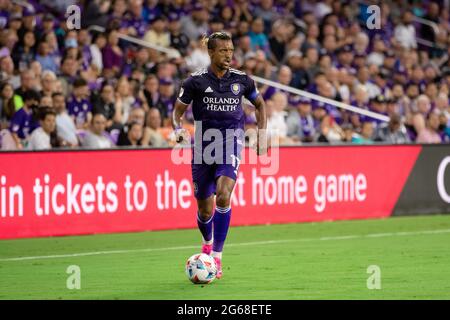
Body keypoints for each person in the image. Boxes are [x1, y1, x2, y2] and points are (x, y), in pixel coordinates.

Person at [172, 32, 267, 279]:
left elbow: (260, 105)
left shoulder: (243, 80)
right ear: (211, 52)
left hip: (231, 143)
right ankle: (207, 242)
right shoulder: (194, 82)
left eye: (231, 50)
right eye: (223, 50)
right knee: (205, 210)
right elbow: (177, 112)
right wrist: (178, 130)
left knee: (223, 196)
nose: (229, 55)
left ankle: (217, 257)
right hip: (203, 147)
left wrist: (263, 134)